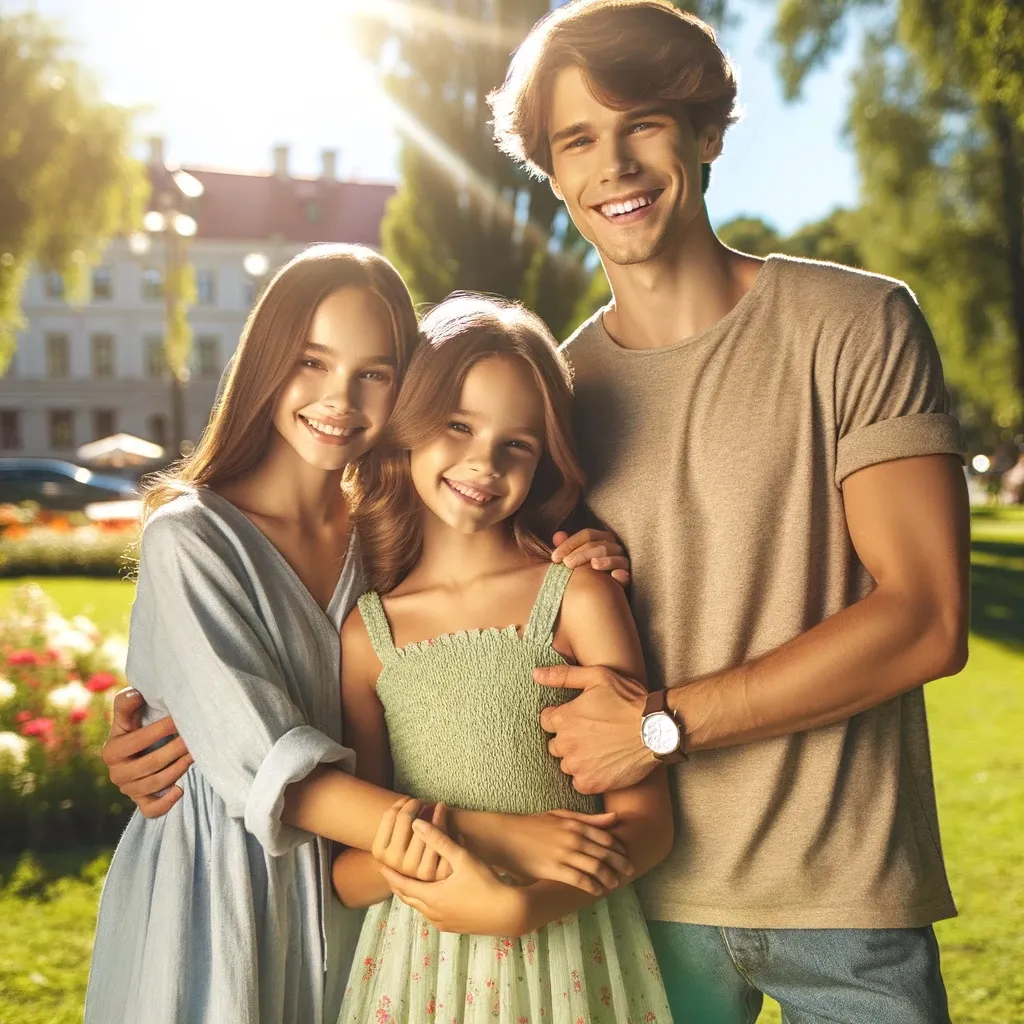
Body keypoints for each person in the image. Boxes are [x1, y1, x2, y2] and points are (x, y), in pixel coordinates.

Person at [481, 1, 970, 1021]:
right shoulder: (553, 398)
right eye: (577, 140)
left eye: (642, 124)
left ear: (704, 133)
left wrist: (662, 725)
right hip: (634, 898)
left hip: (844, 904)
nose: (612, 165)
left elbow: (924, 617)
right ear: (553, 171)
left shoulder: (855, 325)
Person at [86, 244, 635, 1024]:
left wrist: (584, 551)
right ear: (267, 361)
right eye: (311, 360)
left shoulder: (384, 539)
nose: (338, 397)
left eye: (373, 372)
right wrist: (499, 837)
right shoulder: (191, 539)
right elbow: (270, 762)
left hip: (376, 895)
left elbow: (462, 621)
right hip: (223, 886)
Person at [333, 293, 673, 1023]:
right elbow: (352, 875)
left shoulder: (580, 597)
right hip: (417, 972)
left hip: (572, 959)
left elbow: (649, 825)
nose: (482, 463)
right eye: (458, 426)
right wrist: (439, 850)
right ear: (410, 426)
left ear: (545, 460)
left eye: (515, 444)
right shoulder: (366, 638)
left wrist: (526, 908)